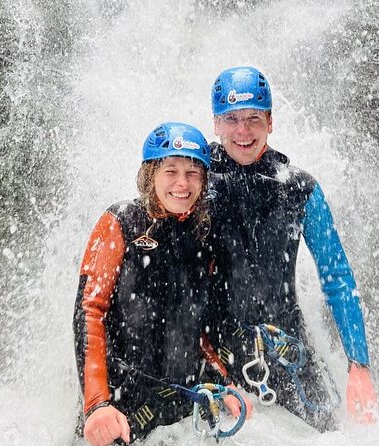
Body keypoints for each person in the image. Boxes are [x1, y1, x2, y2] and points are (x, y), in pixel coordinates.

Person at [208, 66, 378, 431]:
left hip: (287, 352)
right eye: (232, 119)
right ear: (216, 125)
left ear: (270, 122)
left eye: (254, 118)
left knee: (335, 434)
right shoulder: (193, 182)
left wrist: (358, 365)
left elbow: (336, 278)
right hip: (218, 355)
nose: (243, 130)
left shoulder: (300, 188)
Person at [73, 122, 237, 445]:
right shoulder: (119, 222)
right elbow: (89, 312)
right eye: (170, 171)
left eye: (192, 173)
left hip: (183, 408)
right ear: (151, 175)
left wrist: (224, 382)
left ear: (204, 180)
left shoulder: (204, 235)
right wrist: (97, 404)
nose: (182, 183)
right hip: (122, 410)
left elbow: (201, 327)